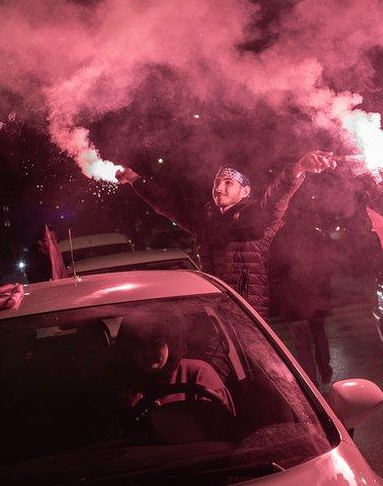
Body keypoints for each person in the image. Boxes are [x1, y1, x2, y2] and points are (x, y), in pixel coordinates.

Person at [116, 151, 337, 317]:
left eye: (228, 183)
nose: (219, 188)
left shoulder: (254, 218)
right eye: (217, 183)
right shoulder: (205, 220)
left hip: (248, 311)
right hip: (215, 309)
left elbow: (275, 200)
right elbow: (166, 204)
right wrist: (135, 179)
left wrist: (297, 169)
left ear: (245, 192)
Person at [113, 312, 234, 415]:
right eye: (139, 344)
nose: (147, 352)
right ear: (129, 348)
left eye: (156, 342)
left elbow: (222, 433)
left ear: (171, 341)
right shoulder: (119, 385)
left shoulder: (199, 376)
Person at [270, 213, 334, 386]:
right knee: (320, 335)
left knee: (302, 344)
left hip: (295, 300)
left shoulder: (282, 237)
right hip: (317, 295)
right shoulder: (317, 234)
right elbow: (329, 265)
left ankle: (312, 384)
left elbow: (274, 268)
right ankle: (326, 371)